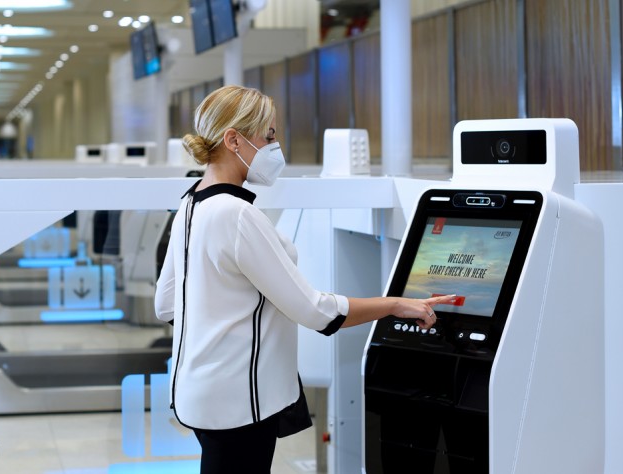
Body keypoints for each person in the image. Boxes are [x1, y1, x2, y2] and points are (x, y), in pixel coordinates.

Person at [154, 85, 456, 474]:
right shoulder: (237, 215)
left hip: (198, 393)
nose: (274, 147)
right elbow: (316, 311)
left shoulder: (191, 202)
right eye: (269, 136)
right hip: (237, 402)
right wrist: (396, 304)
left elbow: (165, 304)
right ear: (233, 140)